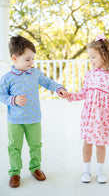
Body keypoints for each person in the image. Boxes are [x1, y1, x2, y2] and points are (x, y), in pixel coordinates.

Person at [0, 35, 69, 188]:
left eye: (32, 59)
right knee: (14, 147)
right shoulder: (7, 78)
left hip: (33, 118)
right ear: (14, 58)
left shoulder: (35, 73)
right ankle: (15, 173)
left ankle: (35, 168)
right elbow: (1, 95)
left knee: (36, 145)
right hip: (15, 120)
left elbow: (47, 82)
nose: (31, 62)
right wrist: (13, 100)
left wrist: (58, 88)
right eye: (27, 59)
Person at [67, 33, 109, 183]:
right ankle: (86, 171)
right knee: (87, 142)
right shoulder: (90, 74)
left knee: (100, 143)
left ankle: (100, 172)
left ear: (105, 55)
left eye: (93, 57)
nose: (91, 61)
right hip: (90, 115)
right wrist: (70, 96)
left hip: (104, 116)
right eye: (90, 58)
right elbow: (84, 92)